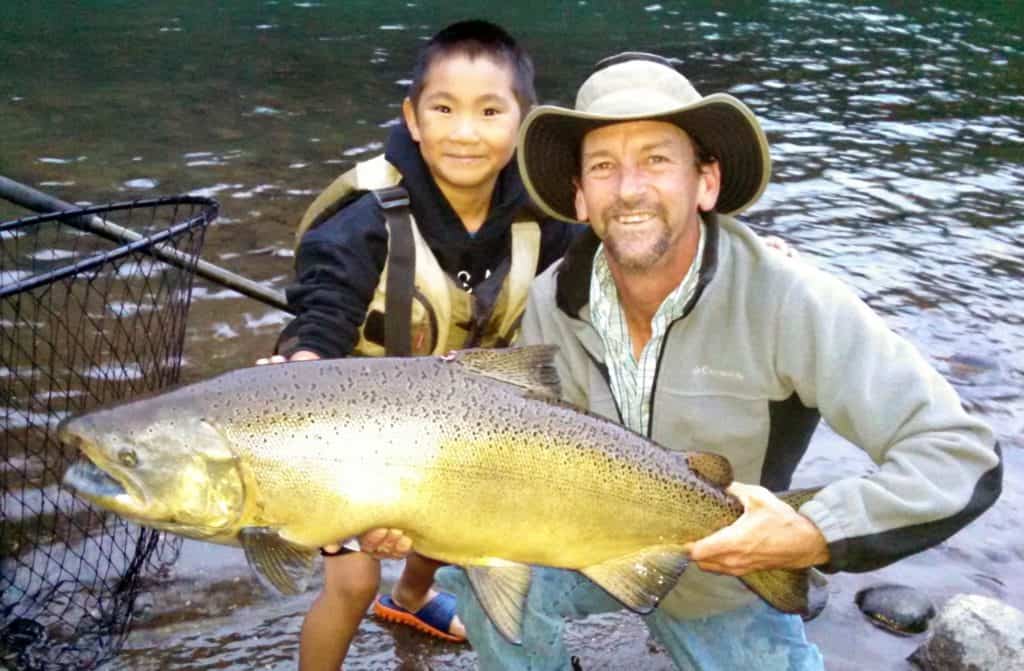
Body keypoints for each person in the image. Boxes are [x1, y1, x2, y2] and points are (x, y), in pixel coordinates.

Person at [420, 52, 1004, 669]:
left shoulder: (789, 299)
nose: (629, 188)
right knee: (478, 580)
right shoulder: (551, 301)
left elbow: (958, 453)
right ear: (581, 197)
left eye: (656, 160)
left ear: (706, 183)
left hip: (728, 583)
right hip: (588, 550)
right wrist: (415, 512)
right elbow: (527, 461)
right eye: (603, 166)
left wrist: (814, 532)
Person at [261, 21, 580, 671]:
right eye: (443, 108)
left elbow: (614, 263)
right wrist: (297, 371)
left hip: (456, 422)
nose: (465, 131)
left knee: (453, 515)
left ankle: (411, 595)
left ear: (523, 122)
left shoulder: (549, 219)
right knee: (351, 585)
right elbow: (321, 313)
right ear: (412, 118)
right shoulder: (364, 218)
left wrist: (729, 249)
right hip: (349, 437)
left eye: (490, 111)